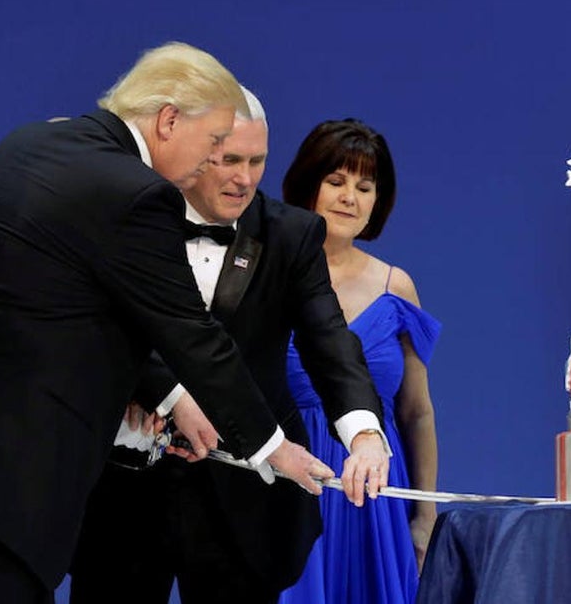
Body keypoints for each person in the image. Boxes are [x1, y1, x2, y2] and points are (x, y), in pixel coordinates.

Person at [0, 43, 338, 603]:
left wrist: (168, 394)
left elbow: (43, 295)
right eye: (211, 144)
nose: (212, 163)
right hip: (17, 472)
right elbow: (188, 331)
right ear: (168, 120)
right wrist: (271, 448)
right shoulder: (137, 193)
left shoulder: (31, 143)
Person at [70, 90, 391, 603]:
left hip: (248, 502)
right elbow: (100, 323)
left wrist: (364, 433)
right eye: (228, 160)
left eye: (257, 161)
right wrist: (151, 388)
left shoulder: (292, 234)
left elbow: (328, 339)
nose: (245, 178)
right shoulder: (127, 217)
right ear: (195, 152)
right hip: (123, 488)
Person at [279, 119, 441, 604]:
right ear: (309, 185)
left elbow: (417, 411)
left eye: (364, 186)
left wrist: (424, 516)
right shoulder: (267, 272)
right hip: (287, 489)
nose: (350, 196)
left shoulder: (396, 287)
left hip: (374, 502)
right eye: (336, 181)